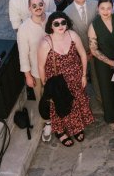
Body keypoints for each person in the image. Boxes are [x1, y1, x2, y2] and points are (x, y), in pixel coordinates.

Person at [38, 11, 94, 147]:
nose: (60, 26)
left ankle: (76, 128)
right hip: (58, 84)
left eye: (63, 22)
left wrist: (83, 75)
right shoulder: (46, 43)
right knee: (59, 107)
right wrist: (46, 86)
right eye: (56, 24)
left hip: (75, 79)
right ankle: (60, 131)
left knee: (75, 104)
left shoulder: (72, 35)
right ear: (51, 26)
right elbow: (41, 66)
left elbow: (82, 55)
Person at [88, 0, 114, 130]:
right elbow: (93, 49)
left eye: (108, 8)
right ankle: (112, 118)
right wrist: (110, 61)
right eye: (102, 8)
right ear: (98, 9)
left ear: (112, 8)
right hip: (103, 61)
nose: (106, 11)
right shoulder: (94, 25)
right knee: (107, 89)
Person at [17, 0, 51, 142]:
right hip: (37, 72)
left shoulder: (52, 18)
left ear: (44, 5)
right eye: (34, 5)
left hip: (56, 68)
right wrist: (28, 76)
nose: (38, 7)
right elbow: (23, 54)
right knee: (42, 98)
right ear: (29, 8)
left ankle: (61, 120)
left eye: (40, 4)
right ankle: (48, 123)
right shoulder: (24, 29)